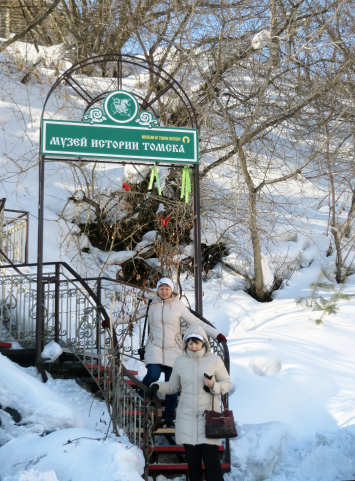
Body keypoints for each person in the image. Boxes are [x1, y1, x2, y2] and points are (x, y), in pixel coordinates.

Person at [116, 277, 227, 428]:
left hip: (173, 349)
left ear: (171, 290)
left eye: (167, 289)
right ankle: (140, 399)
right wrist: (109, 320)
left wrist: (217, 334)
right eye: (161, 288)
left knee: (172, 383)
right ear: (157, 290)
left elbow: (197, 322)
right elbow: (130, 316)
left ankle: (169, 419)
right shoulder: (151, 304)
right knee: (153, 374)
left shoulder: (178, 305)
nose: (164, 291)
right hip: (154, 346)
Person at [146, 323, 232, 481]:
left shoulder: (214, 360)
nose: (193, 346)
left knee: (211, 461)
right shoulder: (180, 362)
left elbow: (227, 383)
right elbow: (173, 386)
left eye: (196, 343)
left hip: (209, 419)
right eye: (190, 343)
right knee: (193, 465)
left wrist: (213, 386)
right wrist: (158, 386)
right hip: (187, 418)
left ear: (203, 343)